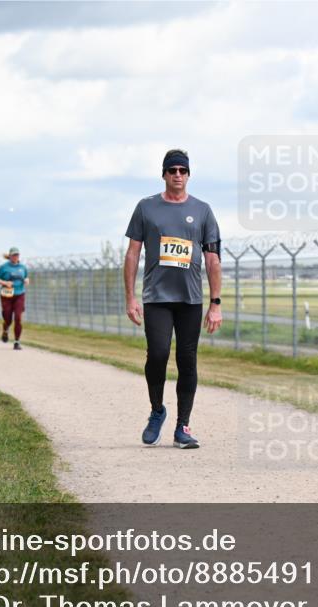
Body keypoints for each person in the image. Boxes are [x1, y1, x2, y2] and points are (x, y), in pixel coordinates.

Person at [124, 148, 222, 450]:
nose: (177, 175)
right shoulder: (146, 208)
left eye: (182, 170)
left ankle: (183, 426)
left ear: (188, 175)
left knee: (187, 360)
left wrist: (215, 303)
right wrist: (130, 297)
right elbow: (132, 253)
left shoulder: (203, 210)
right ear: (164, 174)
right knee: (157, 354)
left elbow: (213, 258)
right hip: (156, 297)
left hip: (190, 299)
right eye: (172, 170)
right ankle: (157, 410)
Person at [0, 247, 30, 350]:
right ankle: (5, 330)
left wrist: (27, 280)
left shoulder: (23, 267)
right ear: (9, 256)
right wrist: (5, 283)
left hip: (20, 294)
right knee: (8, 318)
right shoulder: (3, 267)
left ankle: (17, 342)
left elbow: (26, 277)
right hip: (7, 295)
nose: (15, 257)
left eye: (17, 255)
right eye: (13, 255)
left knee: (18, 318)